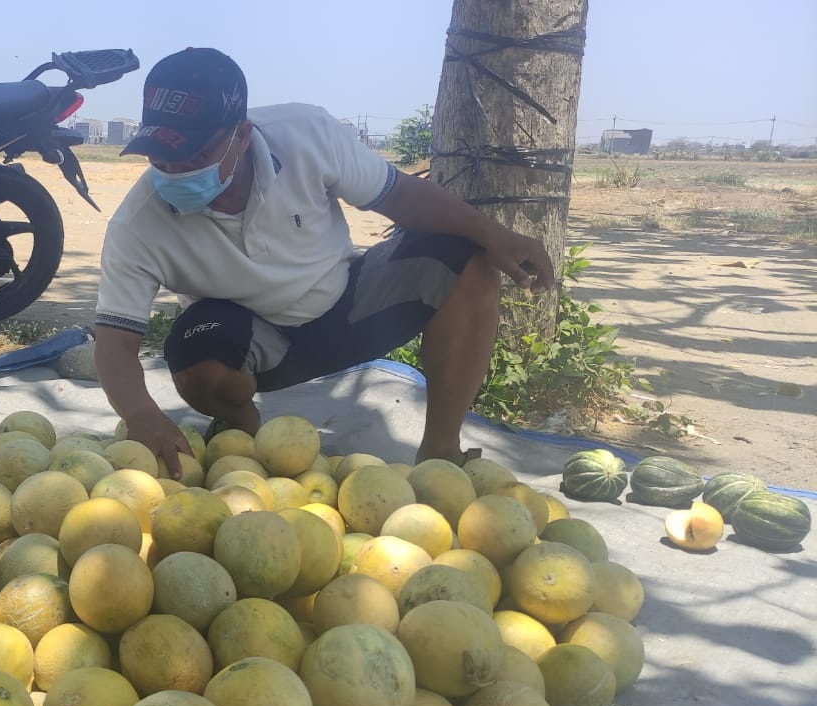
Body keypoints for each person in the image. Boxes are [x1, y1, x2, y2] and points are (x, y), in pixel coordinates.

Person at [93, 48, 555, 478]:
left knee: (469, 258)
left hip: (349, 306)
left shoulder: (306, 134)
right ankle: (242, 434)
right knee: (195, 358)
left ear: (242, 134)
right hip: (258, 342)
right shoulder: (137, 225)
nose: (177, 172)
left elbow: (400, 195)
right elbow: (115, 347)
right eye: (162, 157)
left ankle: (440, 452)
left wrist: (494, 234)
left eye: (195, 155)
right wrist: (142, 416)